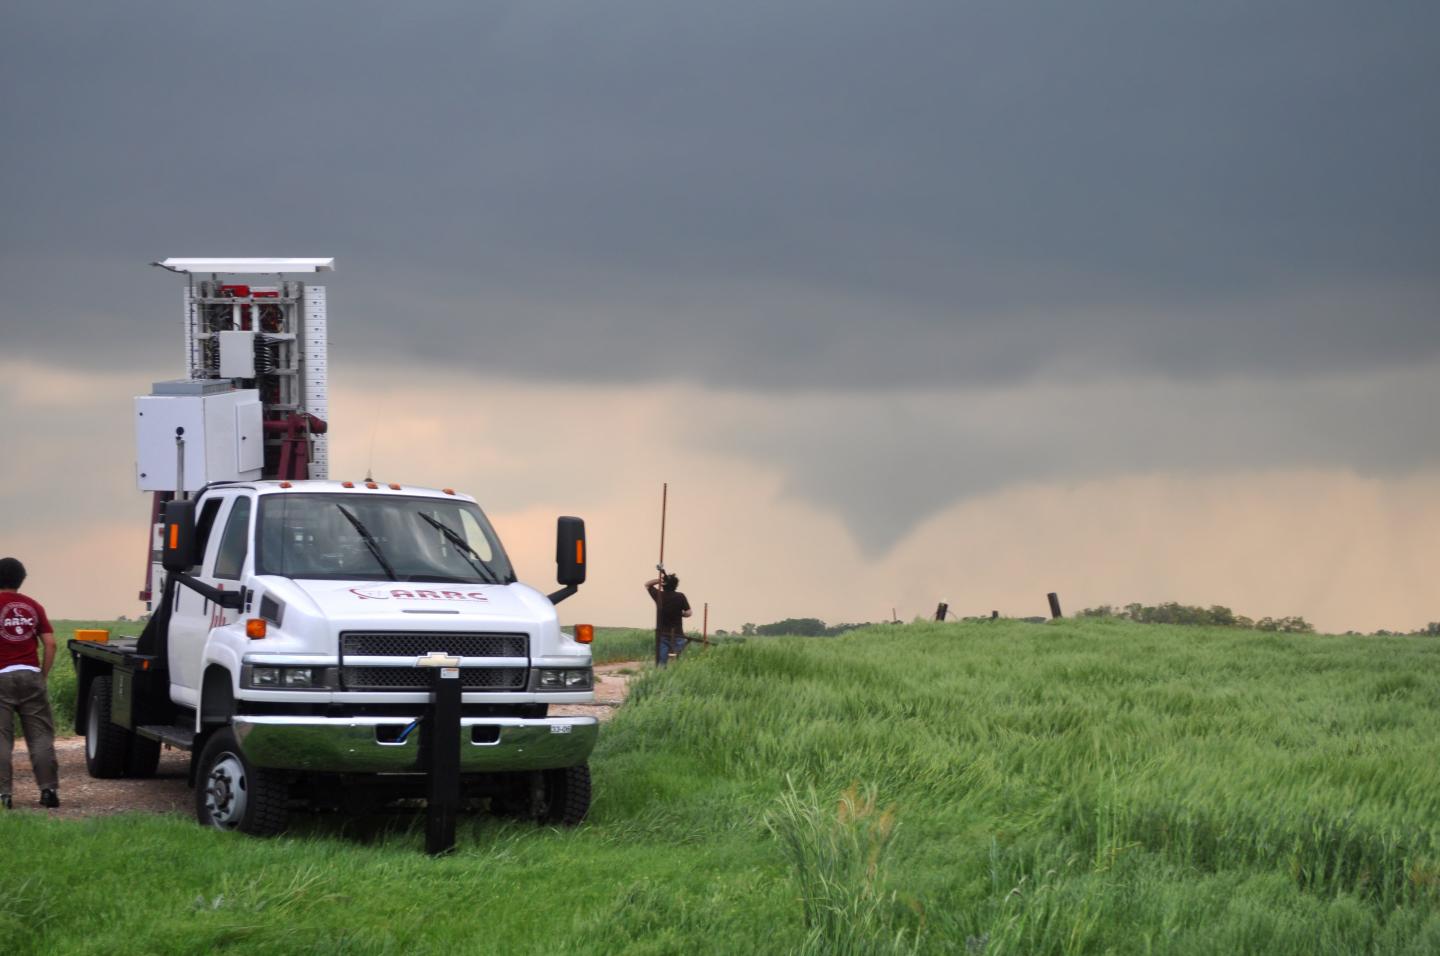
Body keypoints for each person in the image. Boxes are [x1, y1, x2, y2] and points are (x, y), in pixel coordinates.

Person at [0, 557, 60, 810]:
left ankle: (4, 795)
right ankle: (48, 791)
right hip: (30, 675)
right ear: (21, 579)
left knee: (2, 737)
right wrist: (41, 674)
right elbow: (51, 644)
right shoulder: (33, 606)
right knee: (40, 736)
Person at [644, 569, 692, 667]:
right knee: (678, 663)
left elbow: (647, 584)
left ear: (664, 584)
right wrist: (680, 613)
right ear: (675, 585)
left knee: (662, 663)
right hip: (678, 634)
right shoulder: (680, 596)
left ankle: (662, 676)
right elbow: (689, 613)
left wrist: (660, 580)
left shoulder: (659, 595)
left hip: (663, 634)